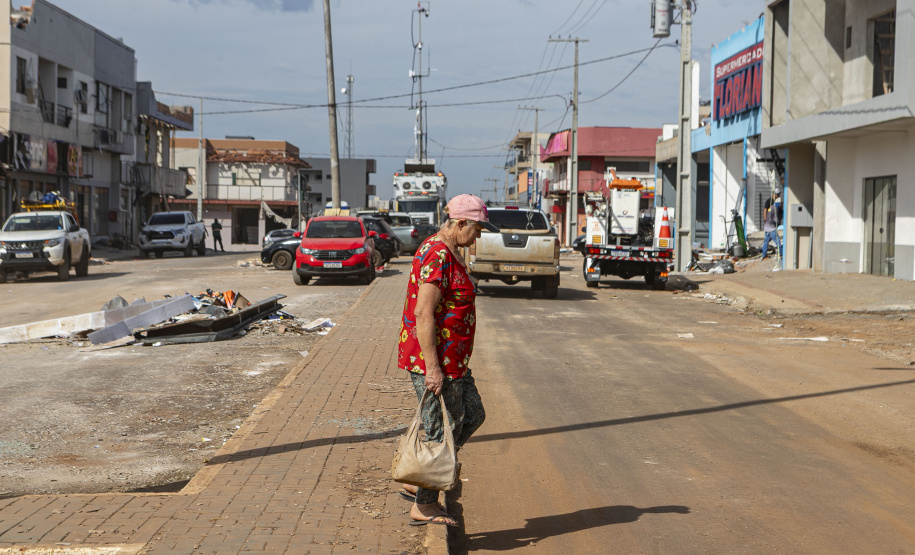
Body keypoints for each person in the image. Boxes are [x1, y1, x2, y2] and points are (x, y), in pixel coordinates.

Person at [397, 194, 499, 527]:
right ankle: (423, 502)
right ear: (459, 224)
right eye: (477, 228)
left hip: (454, 362)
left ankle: (423, 475)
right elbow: (424, 313)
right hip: (434, 361)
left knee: (474, 415)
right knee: (441, 431)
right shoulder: (437, 254)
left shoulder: (451, 251)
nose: (479, 236)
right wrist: (433, 369)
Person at [761, 193, 781, 260]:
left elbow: (766, 213)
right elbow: (776, 219)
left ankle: (764, 255)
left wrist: (765, 220)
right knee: (778, 241)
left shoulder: (770, 208)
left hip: (766, 228)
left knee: (766, 241)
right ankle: (781, 254)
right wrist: (778, 223)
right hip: (771, 229)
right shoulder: (775, 208)